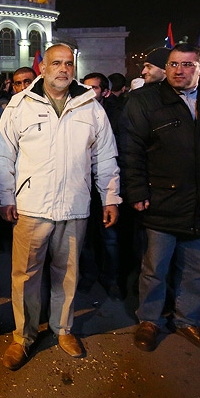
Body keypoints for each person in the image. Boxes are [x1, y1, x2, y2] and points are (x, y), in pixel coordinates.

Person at [118, 43, 200, 354]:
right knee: (154, 267)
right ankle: (149, 320)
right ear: (165, 68)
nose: (180, 70)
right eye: (174, 64)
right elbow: (131, 150)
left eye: (188, 65)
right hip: (161, 200)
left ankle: (186, 319)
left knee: (198, 268)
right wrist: (136, 190)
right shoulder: (144, 101)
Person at [0, 44, 121, 370]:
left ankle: (63, 328)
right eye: (56, 63)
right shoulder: (20, 105)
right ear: (43, 67)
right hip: (31, 207)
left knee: (68, 274)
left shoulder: (90, 106)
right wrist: (5, 196)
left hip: (74, 207)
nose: (63, 69)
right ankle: (23, 337)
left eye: (68, 63)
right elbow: (4, 155)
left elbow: (104, 155)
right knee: (25, 276)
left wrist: (110, 197)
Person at [78, 72, 123, 299]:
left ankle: (111, 278)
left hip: (107, 185)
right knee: (84, 238)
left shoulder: (117, 116)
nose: (88, 92)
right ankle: (88, 275)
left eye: (93, 88)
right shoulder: (75, 113)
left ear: (105, 92)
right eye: (84, 87)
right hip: (83, 187)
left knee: (110, 238)